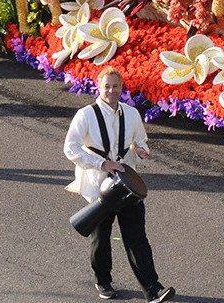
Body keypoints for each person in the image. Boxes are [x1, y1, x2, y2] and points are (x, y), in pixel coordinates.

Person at [64, 69, 172, 303]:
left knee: (137, 237)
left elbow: (140, 140)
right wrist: (102, 163)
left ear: (122, 87)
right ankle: (103, 281)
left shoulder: (132, 114)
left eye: (116, 86)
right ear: (98, 87)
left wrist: (142, 151)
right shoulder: (85, 115)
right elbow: (70, 148)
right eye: (107, 86)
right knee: (101, 238)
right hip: (98, 185)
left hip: (128, 185)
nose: (112, 91)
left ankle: (153, 289)